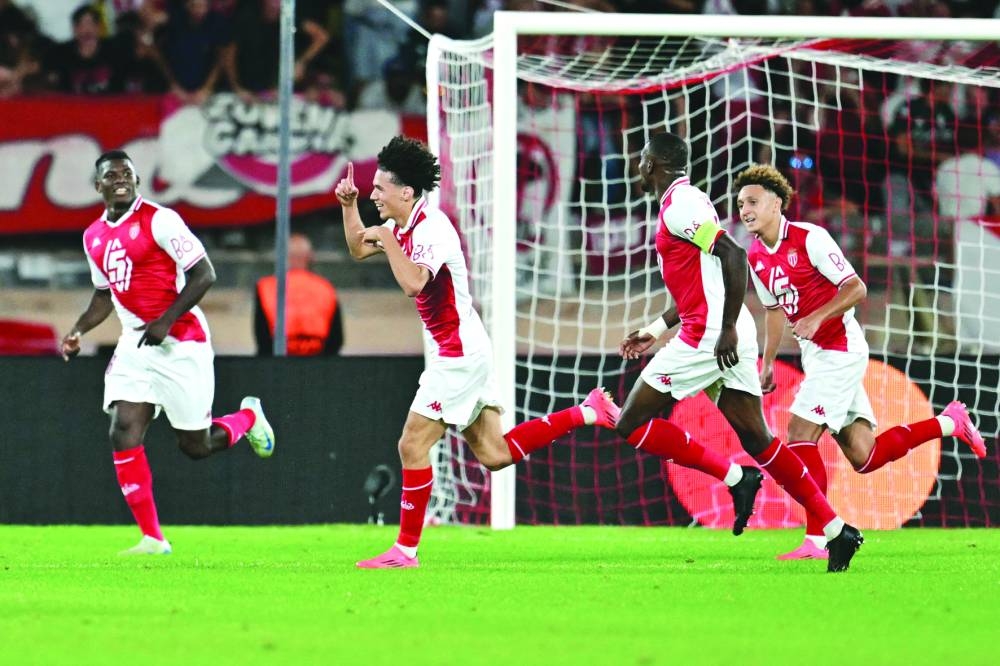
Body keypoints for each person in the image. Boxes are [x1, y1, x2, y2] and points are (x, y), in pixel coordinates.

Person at [334, 136, 620, 569]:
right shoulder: (401, 227)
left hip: (458, 355)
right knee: (495, 454)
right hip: (464, 348)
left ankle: (405, 551)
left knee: (412, 444)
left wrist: (388, 241)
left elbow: (413, 282)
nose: (374, 194)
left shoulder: (433, 227)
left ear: (406, 192)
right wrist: (349, 205)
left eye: (379, 188)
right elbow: (357, 248)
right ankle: (588, 411)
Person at [616, 132, 863, 572]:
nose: (637, 166)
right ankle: (835, 528)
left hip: (709, 334)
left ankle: (735, 477)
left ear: (654, 164)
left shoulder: (682, 205)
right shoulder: (685, 203)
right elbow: (704, 279)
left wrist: (725, 327)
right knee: (759, 439)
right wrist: (656, 329)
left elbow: (731, 255)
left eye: (642, 159)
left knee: (630, 423)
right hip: (716, 328)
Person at [734, 163, 987, 560]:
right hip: (816, 355)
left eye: (753, 201)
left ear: (777, 203)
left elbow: (856, 287)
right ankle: (949, 422)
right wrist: (767, 363)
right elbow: (773, 311)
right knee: (864, 456)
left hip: (841, 347)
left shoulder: (809, 237)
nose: (745, 209)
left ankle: (819, 539)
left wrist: (818, 316)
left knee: (800, 432)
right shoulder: (755, 255)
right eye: (740, 204)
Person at [61, 149, 275, 555]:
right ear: (98, 185)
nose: (120, 179)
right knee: (123, 427)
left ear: (138, 180)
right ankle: (153, 538)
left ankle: (247, 417)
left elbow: (204, 273)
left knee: (195, 446)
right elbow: (105, 295)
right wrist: (78, 329)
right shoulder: (93, 237)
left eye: (127, 173)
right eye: (111, 175)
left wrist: (165, 319)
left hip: (181, 342)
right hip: (135, 342)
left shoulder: (160, 220)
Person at [254, 232, 343, 356]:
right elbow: (336, 339)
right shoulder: (326, 288)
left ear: (283, 256)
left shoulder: (265, 287)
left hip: (277, 360)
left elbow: (262, 336)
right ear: (310, 257)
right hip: (318, 361)